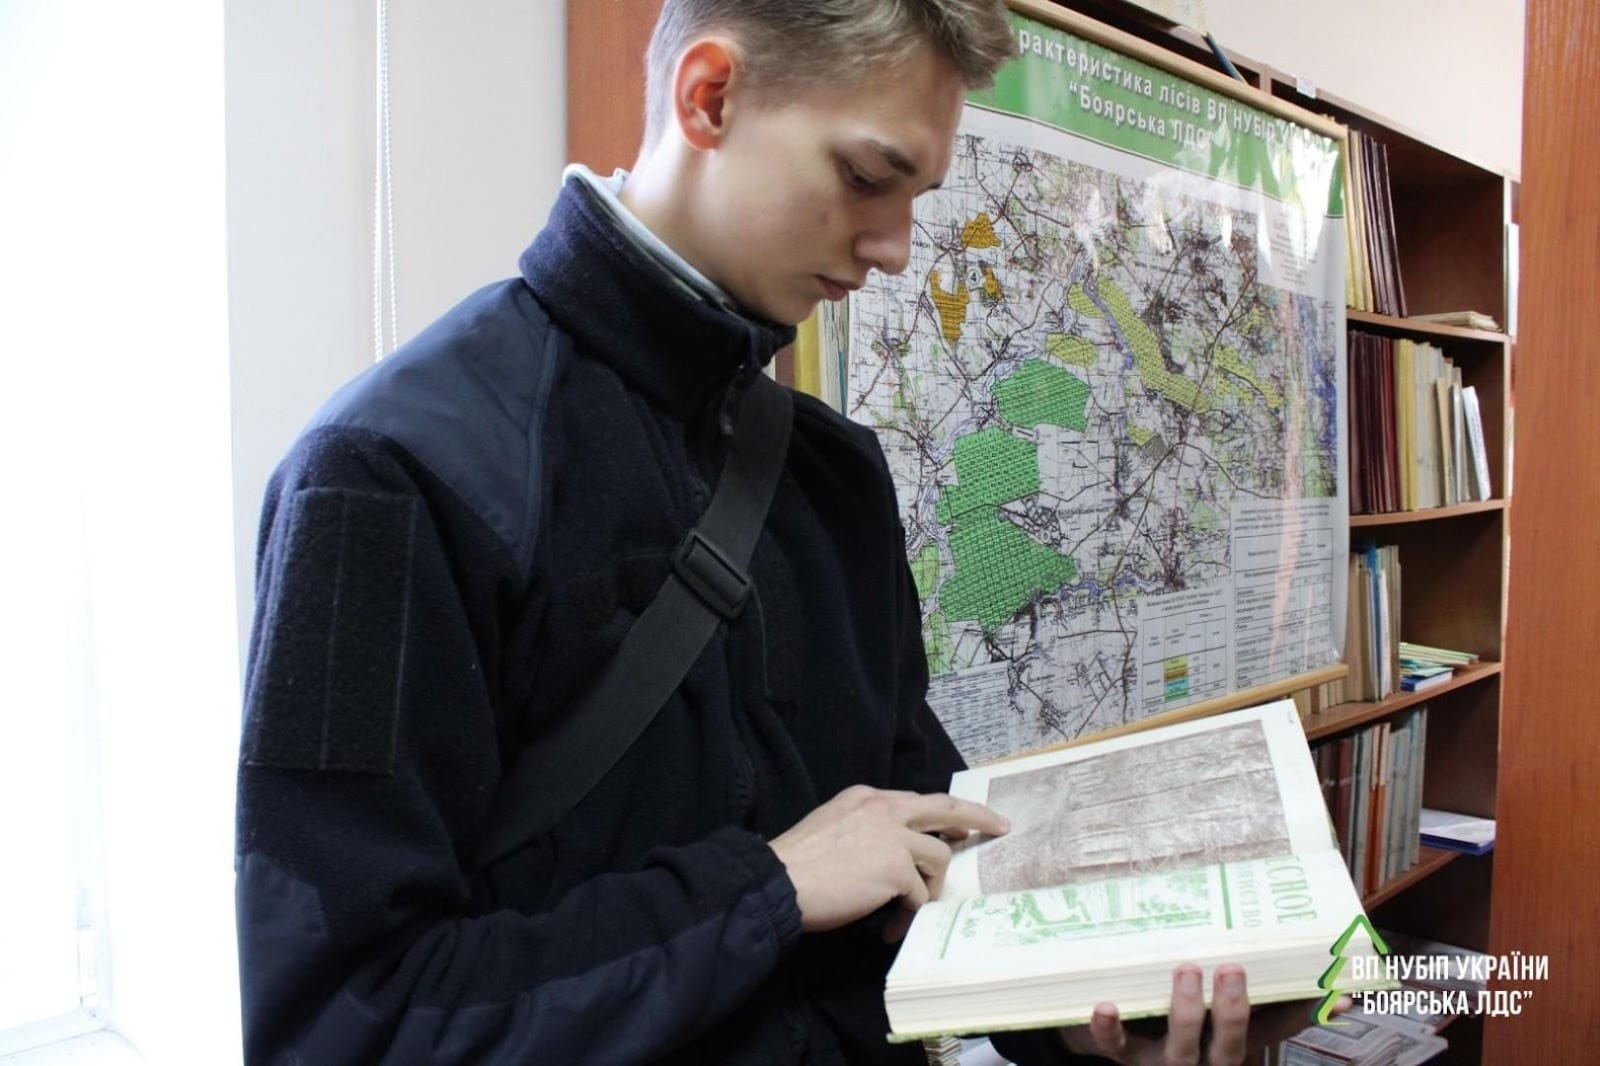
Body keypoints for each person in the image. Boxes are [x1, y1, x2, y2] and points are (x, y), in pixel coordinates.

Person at [235, 1, 1322, 1062]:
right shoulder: (388, 474)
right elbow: (343, 1020)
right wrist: (768, 888)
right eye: (865, 177)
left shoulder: (834, 475)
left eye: (915, 198)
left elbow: (924, 865)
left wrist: (1089, 1017)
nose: (894, 249)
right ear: (709, 96)